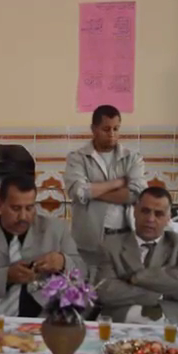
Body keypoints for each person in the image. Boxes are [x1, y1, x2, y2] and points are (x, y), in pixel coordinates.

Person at [0, 174, 85, 317]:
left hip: (43, 320)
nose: (23, 216)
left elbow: (83, 274)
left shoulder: (56, 230)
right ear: (0, 206)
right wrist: (6, 277)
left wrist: (63, 261)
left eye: (29, 208)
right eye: (16, 208)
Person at [95, 187, 178, 325]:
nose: (150, 219)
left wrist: (136, 278)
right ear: (135, 212)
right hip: (121, 319)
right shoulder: (110, 245)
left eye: (159, 214)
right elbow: (105, 291)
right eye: (145, 211)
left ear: (168, 218)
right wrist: (159, 293)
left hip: (169, 320)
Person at [63, 104, 147, 277]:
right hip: (88, 240)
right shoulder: (78, 158)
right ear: (93, 129)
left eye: (116, 129)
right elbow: (78, 192)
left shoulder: (132, 158)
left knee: (121, 286)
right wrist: (117, 183)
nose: (112, 134)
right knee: (87, 285)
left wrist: (93, 192)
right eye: (106, 129)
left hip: (124, 238)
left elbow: (136, 194)